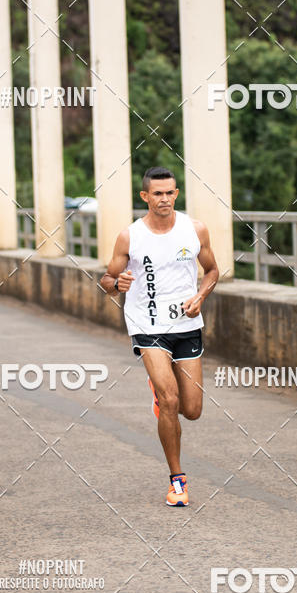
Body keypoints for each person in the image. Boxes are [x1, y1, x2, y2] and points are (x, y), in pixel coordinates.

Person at [101, 167, 219, 506]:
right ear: (145, 197)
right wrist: (116, 285)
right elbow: (106, 280)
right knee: (170, 401)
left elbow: (212, 271)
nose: (163, 199)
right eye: (157, 194)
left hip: (186, 326)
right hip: (147, 326)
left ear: (176, 194)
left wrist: (200, 296)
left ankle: (162, 392)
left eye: (169, 193)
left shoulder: (194, 230)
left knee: (191, 409)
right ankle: (177, 480)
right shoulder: (130, 236)